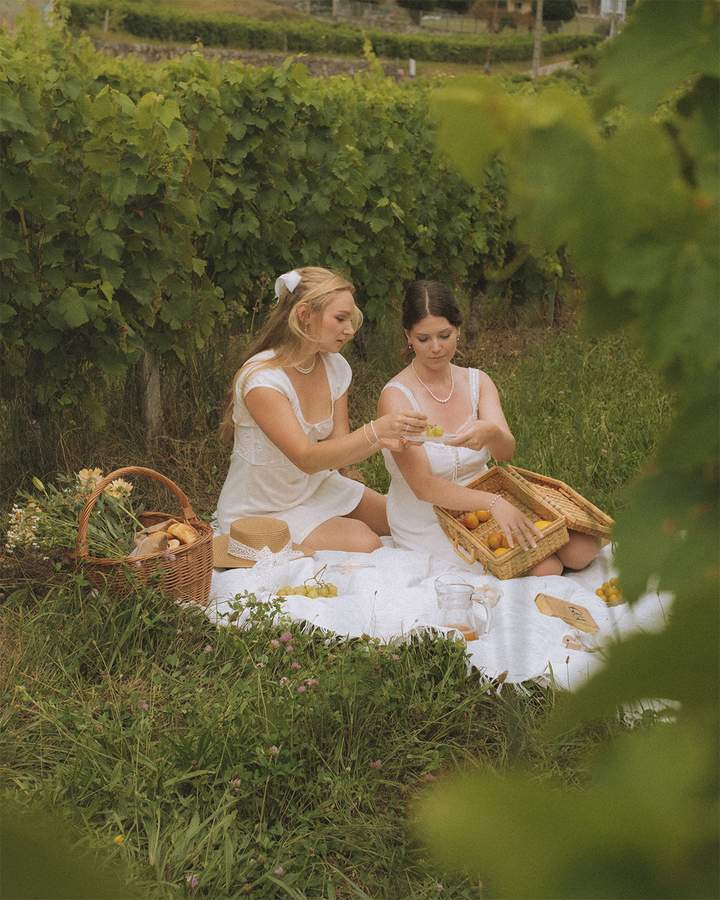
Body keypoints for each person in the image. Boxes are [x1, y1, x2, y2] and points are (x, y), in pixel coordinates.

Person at [377, 280, 601, 576]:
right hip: (428, 515)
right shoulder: (396, 396)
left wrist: (491, 433)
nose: (435, 348)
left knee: (583, 550)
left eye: (444, 335)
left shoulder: (477, 381)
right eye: (423, 339)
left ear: (457, 328)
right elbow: (422, 487)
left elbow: (505, 452)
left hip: (488, 504)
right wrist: (493, 503)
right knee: (546, 567)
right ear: (408, 336)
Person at [216, 267, 427, 553]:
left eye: (350, 320)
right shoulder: (262, 380)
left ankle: (329, 520)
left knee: (409, 521)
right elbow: (306, 458)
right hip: (261, 510)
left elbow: (337, 450)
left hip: (316, 486)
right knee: (365, 541)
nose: (350, 330)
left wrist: (383, 442)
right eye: (340, 319)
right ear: (304, 314)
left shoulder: (335, 366)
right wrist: (376, 430)